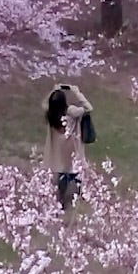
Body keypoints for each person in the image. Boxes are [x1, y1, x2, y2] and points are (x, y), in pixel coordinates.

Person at [44, 83, 92, 211]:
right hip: (72, 146)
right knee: (77, 170)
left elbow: (44, 104)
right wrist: (77, 92)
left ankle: (61, 200)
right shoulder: (71, 111)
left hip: (59, 148)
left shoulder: (51, 113)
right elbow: (88, 108)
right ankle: (84, 193)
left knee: (63, 172)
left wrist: (53, 91)